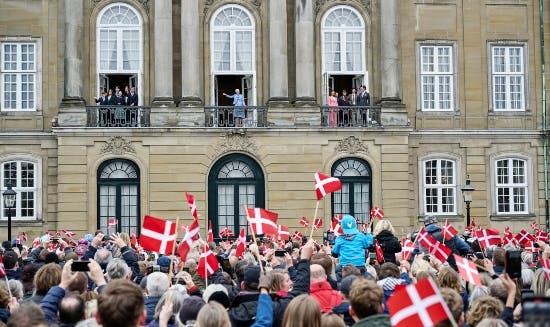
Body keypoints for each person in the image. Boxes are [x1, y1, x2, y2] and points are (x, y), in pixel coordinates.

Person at [331, 215, 374, 279]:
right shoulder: (361, 236)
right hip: (360, 267)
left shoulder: (339, 239)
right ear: (355, 225)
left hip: (345, 268)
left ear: (342, 227)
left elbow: (334, 254)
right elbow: (369, 246)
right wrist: (369, 234)